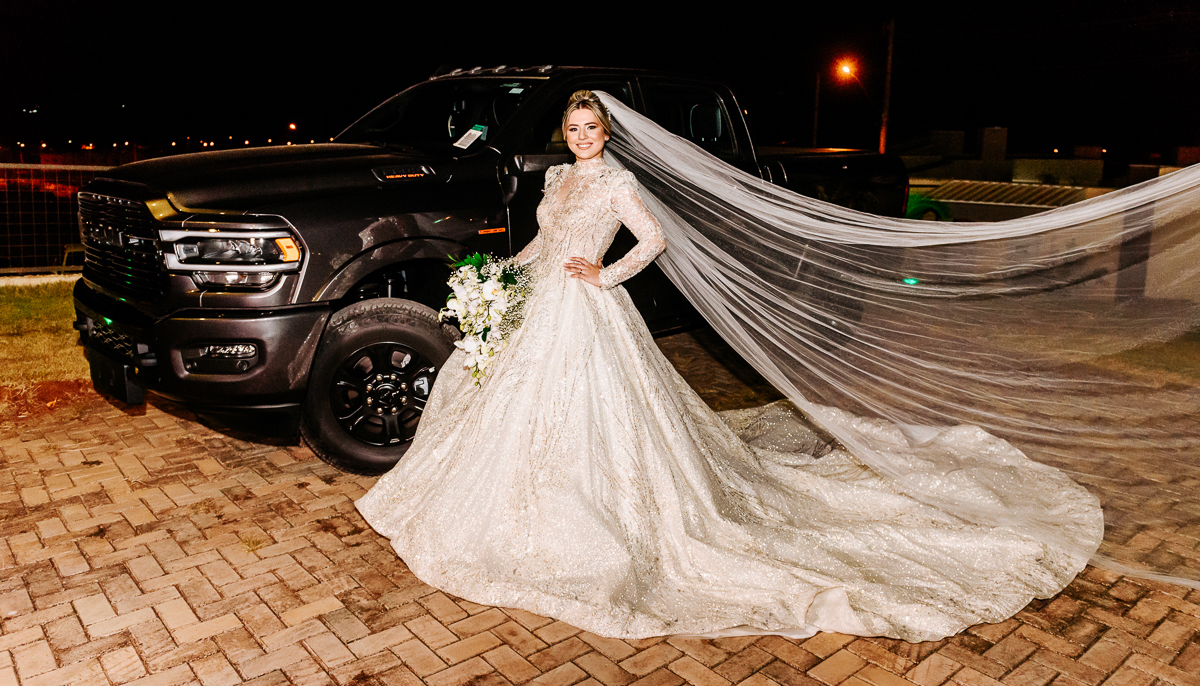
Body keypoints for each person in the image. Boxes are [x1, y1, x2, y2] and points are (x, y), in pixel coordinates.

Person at [356, 90, 1104, 642]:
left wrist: (606, 275)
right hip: (541, 303)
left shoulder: (619, 182)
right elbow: (538, 246)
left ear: (607, 133)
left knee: (598, 418)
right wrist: (503, 277)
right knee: (513, 408)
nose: (583, 137)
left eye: (593, 128)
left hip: (586, 311)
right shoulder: (557, 181)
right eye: (575, 128)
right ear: (566, 133)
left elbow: (652, 242)